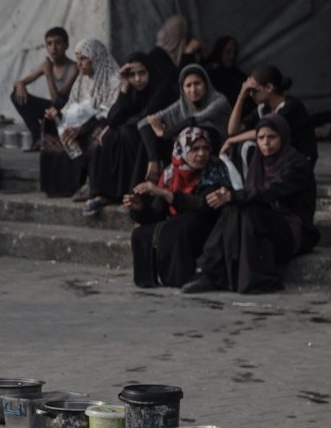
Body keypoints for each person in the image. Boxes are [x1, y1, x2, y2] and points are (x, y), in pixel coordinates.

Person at [184, 114, 318, 294]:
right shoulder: (259, 160)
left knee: (246, 207)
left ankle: (254, 278)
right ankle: (209, 273)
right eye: (261, 138)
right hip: (266, 224)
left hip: (293, 230)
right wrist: (233, 198)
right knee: (234, 208)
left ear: (283, 137)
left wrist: (234, 195)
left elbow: (271, 190)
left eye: (272, 137)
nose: (266, 143)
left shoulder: (297, 164)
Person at [125, 126, 232, 287]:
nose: (202, 154)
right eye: (195, 149)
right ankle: (154, 278)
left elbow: (204, 204)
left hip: (209, 225)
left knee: (181, 226)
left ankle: (179, 278)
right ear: (182, 150)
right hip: (181, 221)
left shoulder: (214, 168)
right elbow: (158, 214)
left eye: (205, 148)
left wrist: (166, 194)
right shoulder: (170, 173)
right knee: (140, 234)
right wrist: (139, 208)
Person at [81, 52, 175, 215]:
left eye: (142, 73)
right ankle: (104, 193)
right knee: (108, 134)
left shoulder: (161, 87)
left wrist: (115, 127)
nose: (137, 79)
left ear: (150, 72)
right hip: (134, 134)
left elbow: (146, 117)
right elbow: (113, 118)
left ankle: (131, 194)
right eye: (132, 75)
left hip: (158, 137)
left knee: (124, 133)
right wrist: (124, 86)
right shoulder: (131, 89)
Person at [39, 38, 119, 198]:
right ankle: (62, 185)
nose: (79, 64)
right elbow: (71, 106)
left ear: (96, 57)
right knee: (49, 124)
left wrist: (82, 128)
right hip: (81, 122)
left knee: (98, 132)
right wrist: (57, 115)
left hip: (102, 124)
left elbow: (110, 112)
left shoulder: (114, 80)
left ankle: (92, 185)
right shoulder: (82, 80)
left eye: (83, 59)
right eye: (77, 59)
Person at [139, 65, 231, 182]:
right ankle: (141, 188)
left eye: (197, 83)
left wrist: (165, 133)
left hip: (216, 147)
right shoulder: (182, 105)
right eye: (188, 85)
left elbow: (194, 120)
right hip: (186, 150)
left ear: (206, 84)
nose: (193, 90)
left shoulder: (219, 101)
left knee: (194, 131)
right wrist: (153, 159)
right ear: (182, 88)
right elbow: (143, 123)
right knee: (147, 140)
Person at [222, 64, 317, 173]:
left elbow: (267, 131)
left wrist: (231, 140)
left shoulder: (291, 107)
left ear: (269, 88)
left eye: (253, 90)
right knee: (242, 146)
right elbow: (233, 131)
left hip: (299, 161)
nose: (251, 94)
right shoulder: (263, 108)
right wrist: (241, 97)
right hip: (280, 158)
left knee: (247, 146)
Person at [10, 27, 78, 148]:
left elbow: (58, 101)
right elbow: (21, 82)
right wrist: (20, 85)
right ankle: (38, 137)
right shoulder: (47, 65)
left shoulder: (73, 68)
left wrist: (48, 74)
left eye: (58, 43)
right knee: (15, 95)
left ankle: (48, 135)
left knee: (59, 102)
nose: (53, 48)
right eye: (49, 43)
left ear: (66, 45)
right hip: (52, 111)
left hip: (66, 113)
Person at [204, 35, 245, 106]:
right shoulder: (209, 74)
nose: (232, 56)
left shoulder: (237, 75)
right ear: (220, 52)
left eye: (234, 53)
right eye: (228, 52)